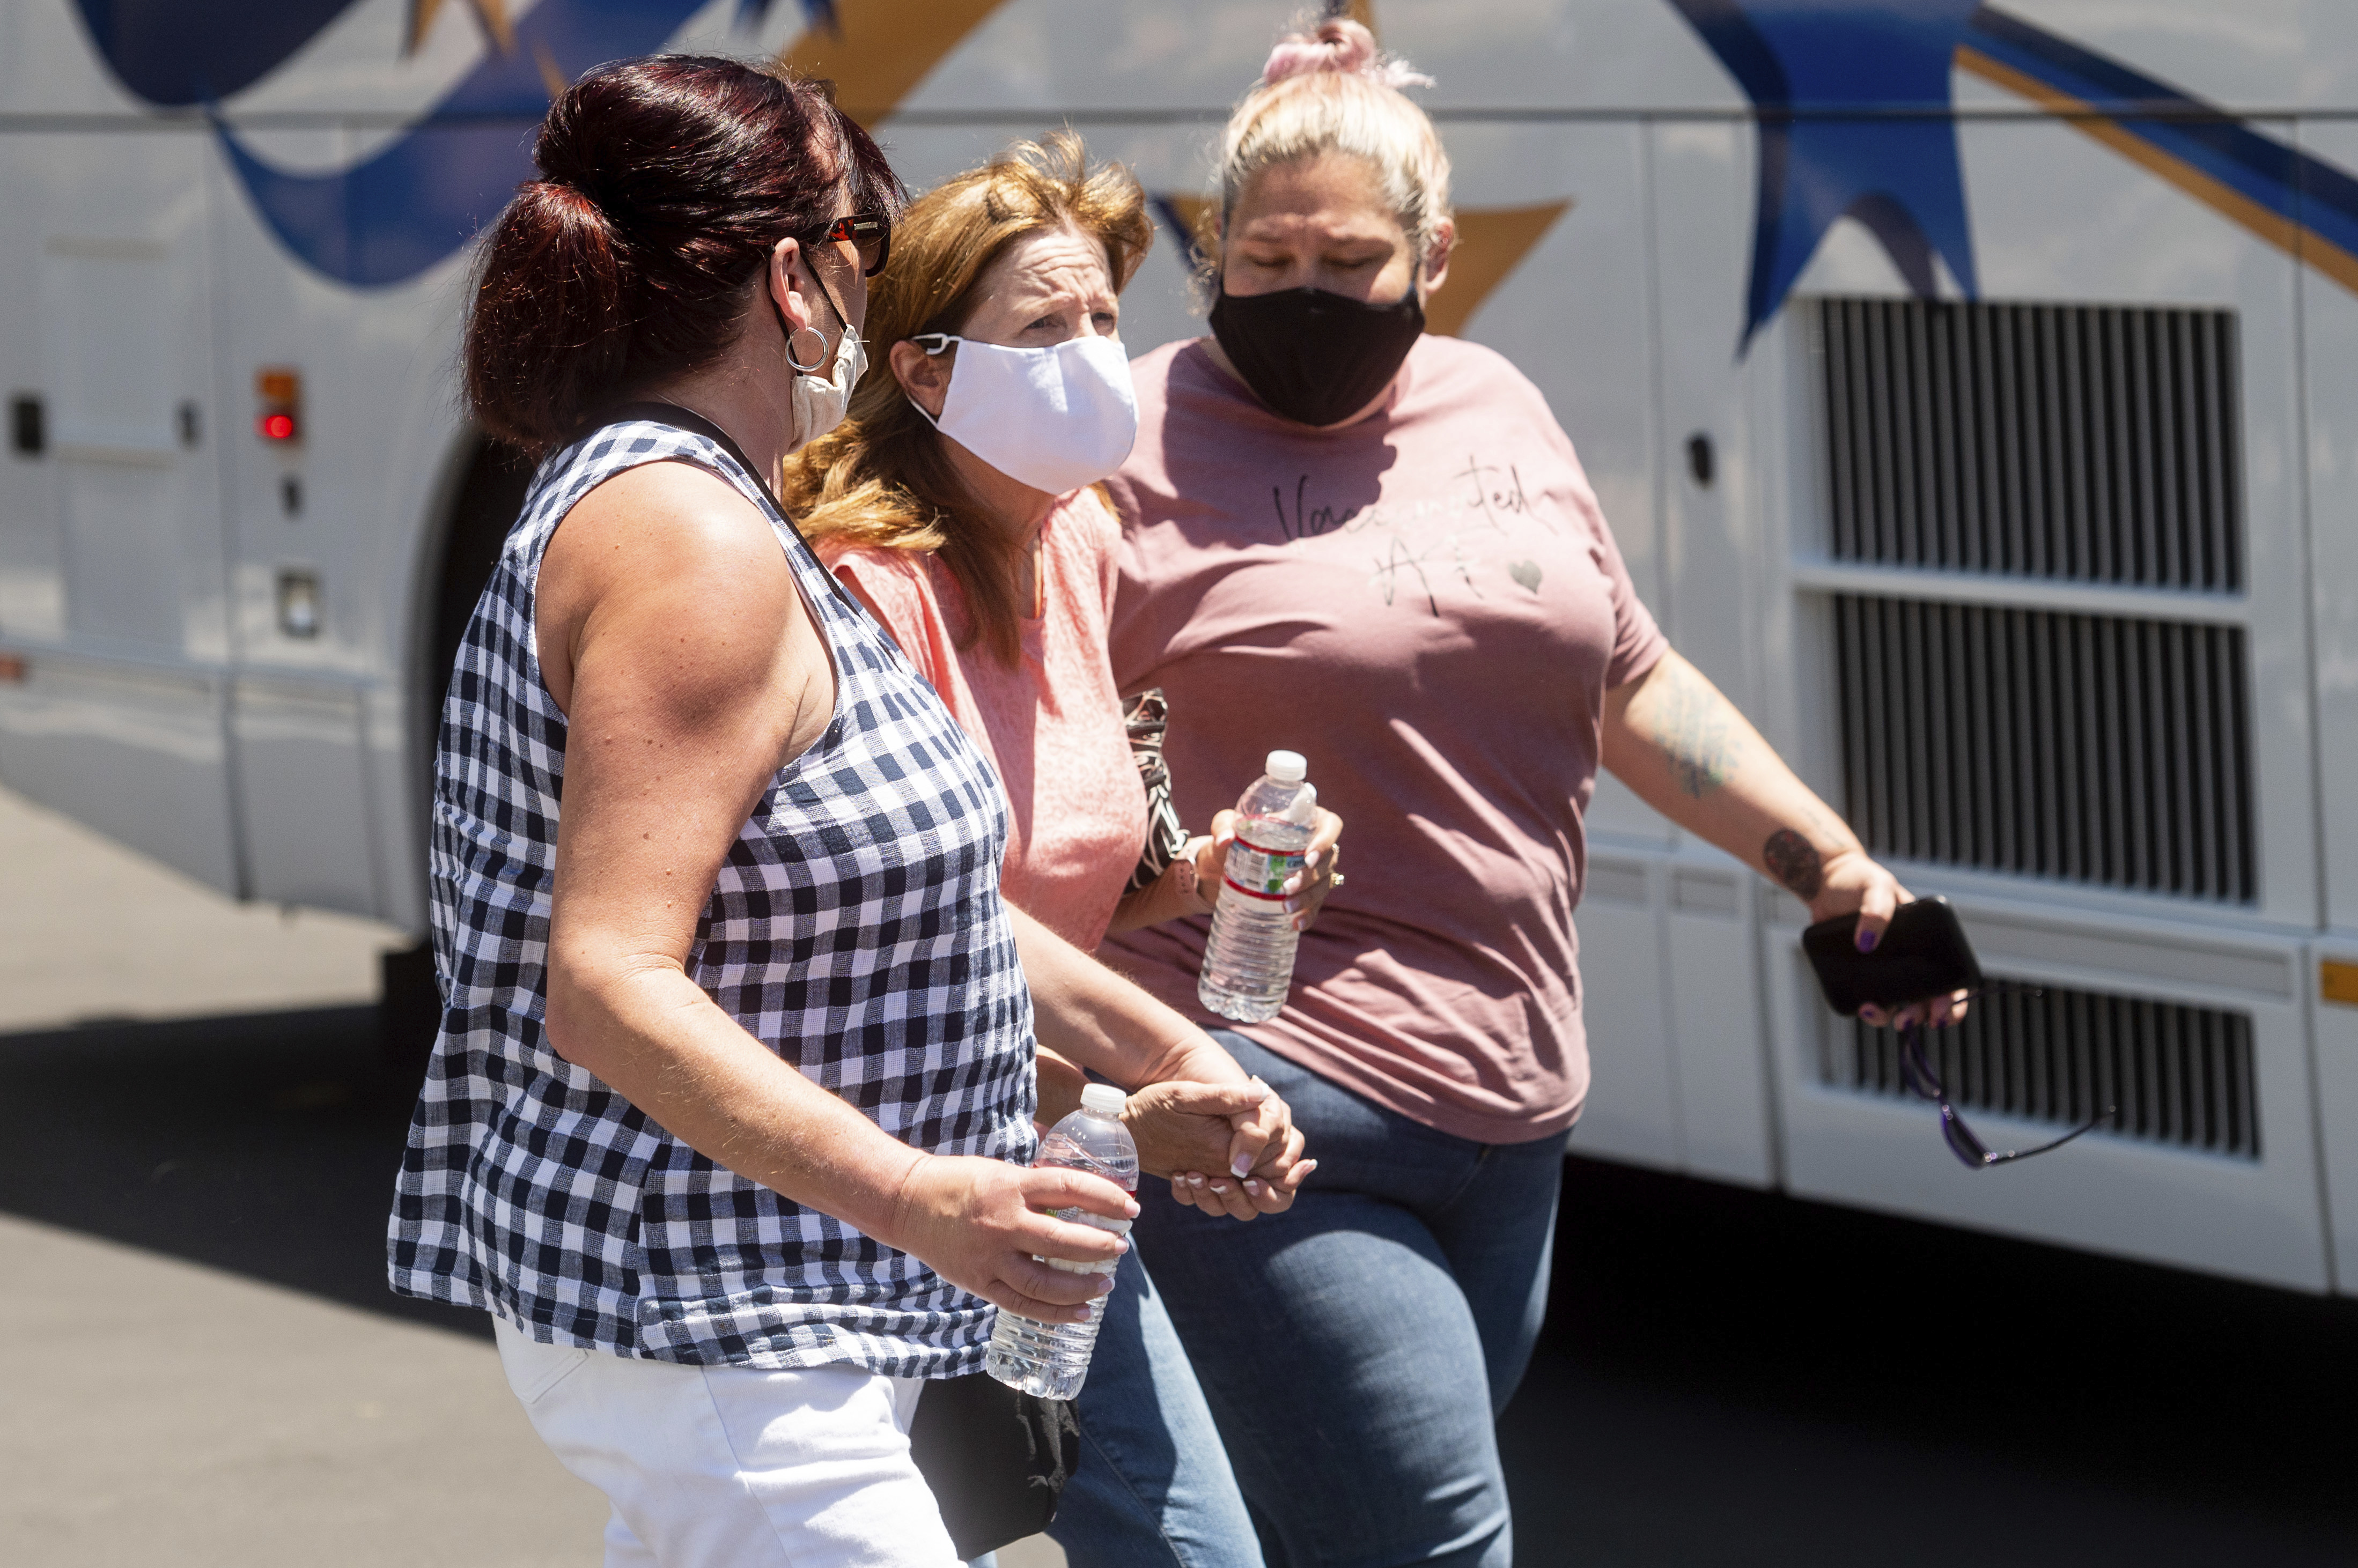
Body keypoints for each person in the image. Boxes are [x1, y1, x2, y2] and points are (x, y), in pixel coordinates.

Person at [388, 57, 1296, 1568]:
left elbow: (927, 896)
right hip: (709, 1318)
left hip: (772, 1310)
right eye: (869, 247)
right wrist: (925, 1195)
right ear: (797, 280)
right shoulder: (690, 539)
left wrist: (1173, 1052)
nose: (873, 302)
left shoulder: (715, 508)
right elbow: (608, 982)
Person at [1100, 20, 1965, 1568]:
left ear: (1432, 254)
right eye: (1266, 251)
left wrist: (1825, 863)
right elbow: (1030, 754)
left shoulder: (1491, 402)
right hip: (1267, 1101)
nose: (1306, 289)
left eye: (1350, 258)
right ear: (1209, 250)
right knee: (1431, 1544)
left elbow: (1624, 677)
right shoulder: (1124, 449)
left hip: (1513, 1101)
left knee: (1338, 1533)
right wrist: (1159, 893)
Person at [782, 133, 1336, 1568]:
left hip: (1046, 1163)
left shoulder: (1075, 538)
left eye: (1101, 316)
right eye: (1041, 327)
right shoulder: (866, 586)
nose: (1093, 351)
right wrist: (1122, 1094)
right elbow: (909, 930)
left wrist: (1211, 870)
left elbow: (1068, 871)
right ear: (923, 373)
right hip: (874, 1190)